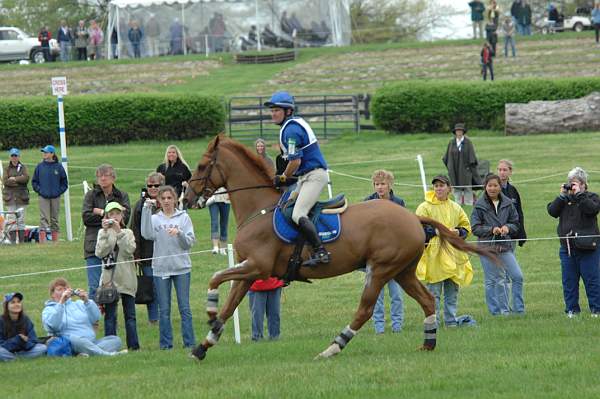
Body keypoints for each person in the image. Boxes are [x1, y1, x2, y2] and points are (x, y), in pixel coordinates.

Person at [265, 91, 330, 265]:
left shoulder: (290, 131)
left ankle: (321, 251)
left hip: (313, 176)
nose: (273, 114)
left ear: (288, 111)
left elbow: (295, 162)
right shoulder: (291, 126)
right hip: (305, 177)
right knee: (287, 205)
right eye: (272, 110)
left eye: (277, 110)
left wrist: (284, 177)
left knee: (298, 213)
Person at [141, 185, 196, 349]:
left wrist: (179, 233)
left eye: (169, 198)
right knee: (164, 310)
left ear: (174, 199)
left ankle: (189, 343)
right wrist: (146, 211)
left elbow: (188, 244)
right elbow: (147, 234)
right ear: (159, 201)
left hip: (181, 269)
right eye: (163, 198)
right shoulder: (155, 218)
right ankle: (166, 345)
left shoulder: (183, 218)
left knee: (184, 308)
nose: (166, 201)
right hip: (161, 269)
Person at [416, 175, 473, 327]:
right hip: (434, 256)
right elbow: (417, 228)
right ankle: (433, 323)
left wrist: (458, 232)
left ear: (449, 188)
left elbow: (466, 226)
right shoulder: (424, 207)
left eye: (442, 185)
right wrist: (436, 232)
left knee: (452, 291)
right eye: (436, 186)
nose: (438, 188)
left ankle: (451, 322)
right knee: (433, 293)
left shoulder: (455, 207)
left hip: (453, 254)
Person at [547, 167, 600, 318]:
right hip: (568, 248)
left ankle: (596, 310)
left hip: (589, 248)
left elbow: (592, 210)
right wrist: (561, 196)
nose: (572, 186)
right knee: (569, 282)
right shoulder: (565, 200)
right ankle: (572, 310)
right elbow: (552, 211)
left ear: (583, 184)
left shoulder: (592, 197)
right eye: (570, 183)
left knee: (592, 280)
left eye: (575, 183)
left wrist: (580, 195)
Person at [471, 174, 524, 315]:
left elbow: (515, 223)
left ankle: (519, 310)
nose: (492, 188)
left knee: (517, 276)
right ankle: (497, 312)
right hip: (486, 247)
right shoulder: (479, 205)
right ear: (485, 187)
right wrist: (491, 230)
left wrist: (508, 228)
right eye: (490, 185)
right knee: (493, 280)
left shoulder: (508, 203)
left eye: (495, 185)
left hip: (505, 246)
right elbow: (475, 228)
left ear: (500, 187)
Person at [363, 170, 405, 333]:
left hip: (394, 257)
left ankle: (397, 327)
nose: (379, 187)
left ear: (390, 185)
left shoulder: (399, 203)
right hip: (374, 257)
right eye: (377, 184)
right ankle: (379, 328)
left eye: (383, 184)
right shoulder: (367, 202)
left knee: (396, 295)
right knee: (376, 295)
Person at [82, 164, 131, 301]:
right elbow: (86, 218)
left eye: (106, 175)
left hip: (116, 247)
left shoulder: (122, 195)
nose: (103, 178)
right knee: (94, 286)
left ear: (113, 178)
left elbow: (125, 218)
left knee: (114, 287)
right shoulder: (90, 195)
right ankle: (93, 320)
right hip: (93, 246)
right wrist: (109, 214)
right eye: (100, 176)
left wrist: (100, 211)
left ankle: (111, 319)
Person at [42, 278, 126, 357]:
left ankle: (84, 353)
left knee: (115, 340)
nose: (64, 291)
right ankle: (107, 354)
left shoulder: (79, 304)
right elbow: (53, 326)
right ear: (52, 294)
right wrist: (61, 303)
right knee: (76, 339)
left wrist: (87, 301)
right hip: (71, 342)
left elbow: (96, 317)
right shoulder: (49, 309)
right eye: (60, 289)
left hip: (90, 342)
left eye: (66, 288)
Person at [95, 202, 139, 350]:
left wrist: (119, 232)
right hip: (110, 282)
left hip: (127, 280)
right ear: (107, 216)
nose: (114, 217)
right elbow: (100, 253)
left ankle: (134, 347)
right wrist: (106, 233)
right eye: (111, 214)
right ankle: (110, 346)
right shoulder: (102, 233)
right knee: (110, 317)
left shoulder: (128, 233)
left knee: (130, 317)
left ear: (122, 216)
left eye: (117, 214)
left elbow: (129, 250)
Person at [130, 172, 163, 325]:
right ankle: (154, 318)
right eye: (150, 185)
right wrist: (136, 254)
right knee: (151, 288)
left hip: (165, 253)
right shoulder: (139, 205)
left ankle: (165, 315)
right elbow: (134, 229)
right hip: (147, 254)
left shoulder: (168, 203)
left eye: (156, 185)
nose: (153, 188)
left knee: (164, 288)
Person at [32, 145, 68, 244]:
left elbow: (64, 183)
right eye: (43, 152)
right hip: (43, 197)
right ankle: (42, 241)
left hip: (55, 197)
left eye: (46, 152)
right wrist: (40, 191)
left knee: (54, 219)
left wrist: (58, 192)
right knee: (43, 218)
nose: (44, 154)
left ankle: (55, 241)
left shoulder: (58, 166)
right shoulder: (39, 166)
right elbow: (34, 182)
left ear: (52, 154)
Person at [0, 292, 47, 361]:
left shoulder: (26, 319)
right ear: (6, 306)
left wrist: (26, 341)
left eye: (18, 302)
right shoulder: (1, 321)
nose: (16, 304)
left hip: (23, 350)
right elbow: (1, 343)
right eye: (13, 302)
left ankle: (14, 358)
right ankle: (18, 358)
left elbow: (33, 340)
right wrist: (18, 339)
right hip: (6, 350)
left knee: (42, 348)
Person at [443, 123, 480, 205]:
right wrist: (450, 168)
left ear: (463, 132)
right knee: (457, 189)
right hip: (454, 171)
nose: (459, 132)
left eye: (460, 131)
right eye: (457, 131)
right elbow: (447, 158)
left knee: (467, 188)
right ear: (455, 132)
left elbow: (472, 158)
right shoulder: (451, 143)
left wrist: (470, 169)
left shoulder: (468, 142)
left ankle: (469, 204)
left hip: (466, 171)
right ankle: (457, 205)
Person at [2, 148, 29, 244]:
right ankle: (13, 241)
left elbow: (26, 179)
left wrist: (14, 179)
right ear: (10, 157)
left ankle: (21, 241)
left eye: (16, 155)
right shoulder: (6, 168)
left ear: (19, 156)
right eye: (12, 156)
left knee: (21, 220)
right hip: (10, 198)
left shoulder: (23, 167)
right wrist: (19, 180)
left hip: (22, 198)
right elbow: (5, 181)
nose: (14, 157)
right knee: (12, 219)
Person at [497, 160, 526, 246]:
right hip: (497, 235)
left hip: (511, 233)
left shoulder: (513, 190)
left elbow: (519, 212)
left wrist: (521, 232)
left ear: (510, 172)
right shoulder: (492, 190)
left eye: (505, 170)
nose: (502, 172)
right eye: (500, 170)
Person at [207, 187, 230, 255]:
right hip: (213, 200)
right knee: (214, 223)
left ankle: (223, 248)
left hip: (225, 199)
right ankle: (215, 247)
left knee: (224, 224)